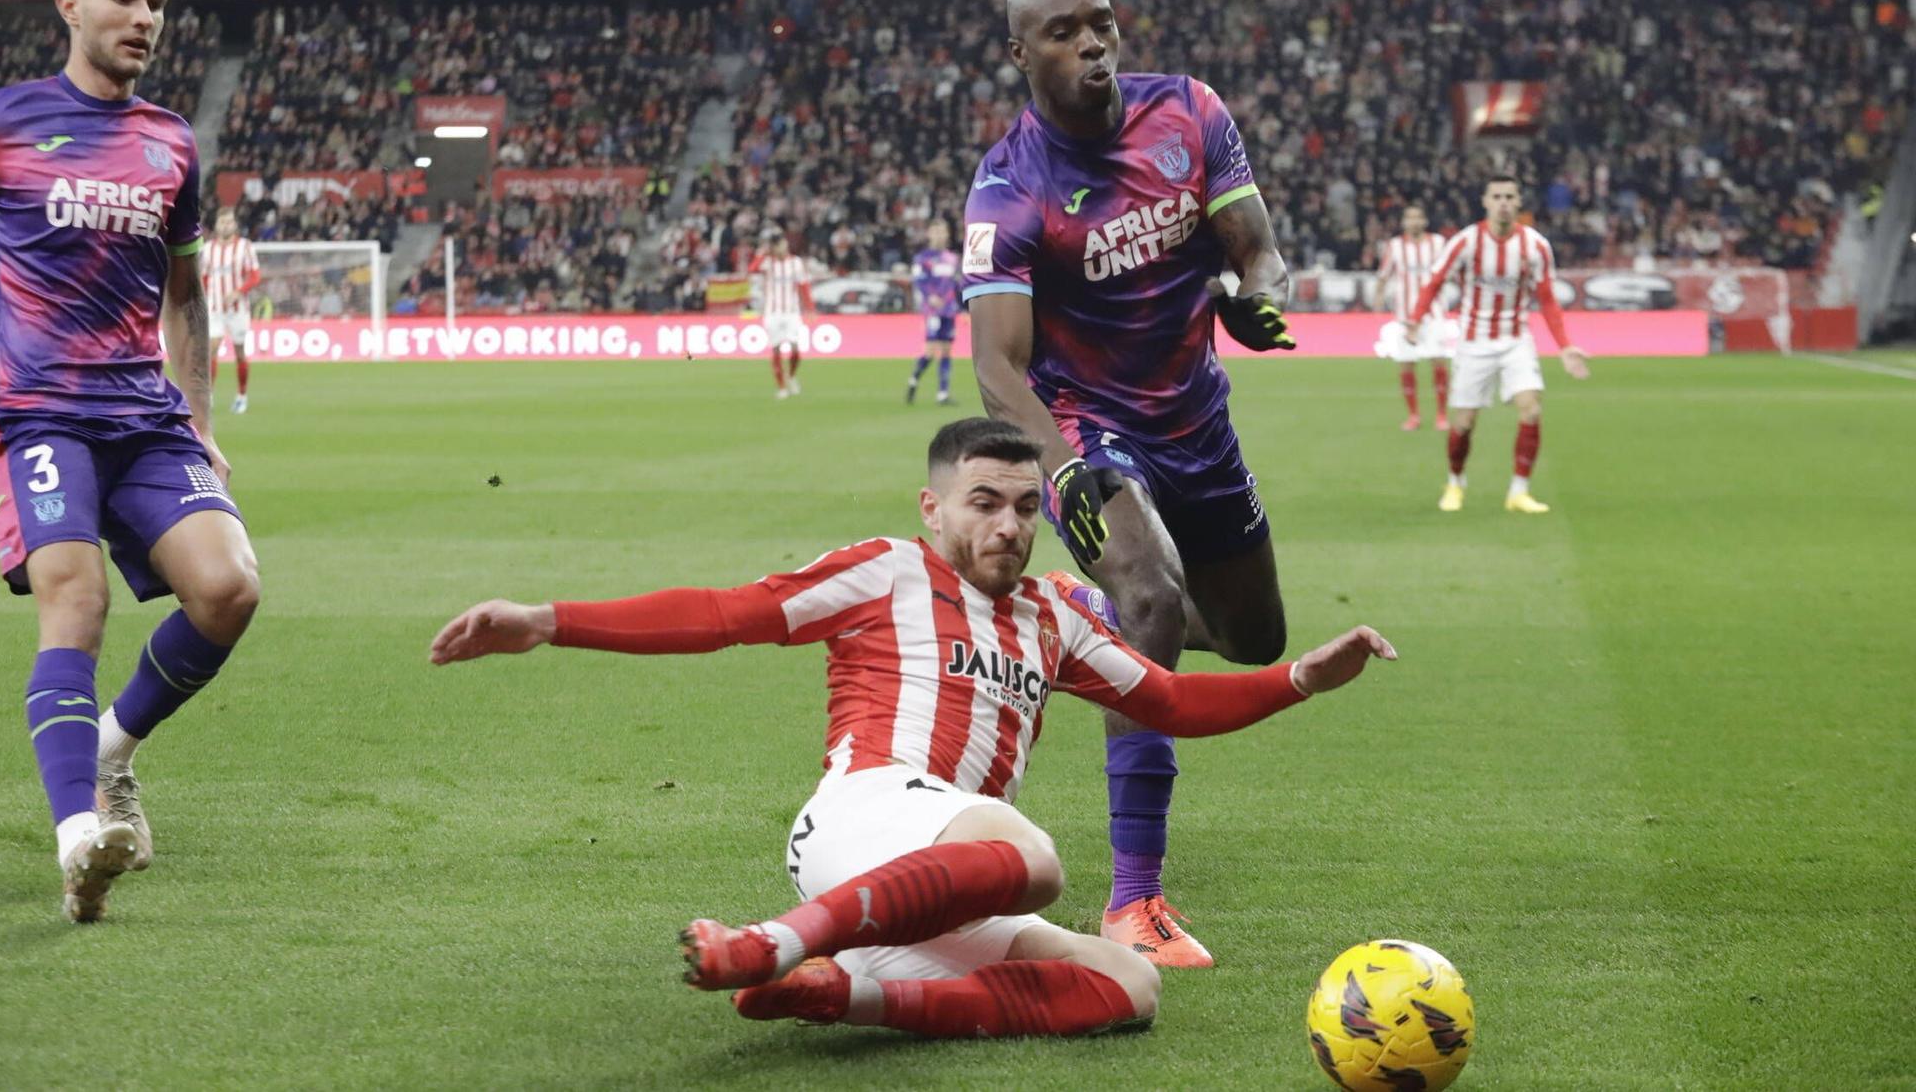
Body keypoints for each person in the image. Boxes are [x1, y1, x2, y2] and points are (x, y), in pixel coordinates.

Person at [428, 419, 1396, 1037]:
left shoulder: (1052, 618)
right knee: (1035, 856)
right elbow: (722, 614)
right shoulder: (885, 571)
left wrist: (1302, 676)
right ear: (933, 508)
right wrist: (548, 620)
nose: (1008, 525)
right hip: (862, 817)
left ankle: (840, 992)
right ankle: (774, 941)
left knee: (1125, 989)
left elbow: (1172, 701)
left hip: (943, 879)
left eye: (1024, 507)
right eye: (983, 503)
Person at [0, 0, 261, 923]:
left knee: (230, 588)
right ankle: (79, 836)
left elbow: (189, 298)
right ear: (70, 6)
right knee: (77, 602)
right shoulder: (0, 122)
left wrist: (197, 419)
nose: (145, 18)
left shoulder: (171, 143)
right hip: (38, 415)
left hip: (146, 417)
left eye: (157, 2)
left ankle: (110, 752)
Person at [962, 0, 1297, 966]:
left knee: (1250, 638)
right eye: (1064, 31)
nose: (1093, 44)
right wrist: (1057, 467)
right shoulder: (1007, 186)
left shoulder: (1188, 112)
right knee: (1150, 595)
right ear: (1021, 52)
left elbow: (1258, 248)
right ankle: (1133, 902)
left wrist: (1253, 292)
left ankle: (1083, 629)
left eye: (1102, 24)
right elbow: (996, 362)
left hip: (1197, 418)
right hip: (1088, 419)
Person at [1404, 176, 1591, 513]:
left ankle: (1519, 491)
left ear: (1519, 203)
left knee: (1531, 408)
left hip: (1516, 339)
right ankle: (1455, 483)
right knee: (1464, 422)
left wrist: (1565, 346)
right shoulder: (1466, 242)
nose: (1503, 202)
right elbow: (1434, 282)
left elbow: (1547, 299)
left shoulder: (1535, 245)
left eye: (1510, 196)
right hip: (1474, 341)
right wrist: (1415, 321)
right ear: (1485, 201)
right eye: (1497, 196)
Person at [1374, 203, 1451, 431]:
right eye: (1410, 218)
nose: (1414, 222)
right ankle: (1414, 416)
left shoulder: (1438, 243)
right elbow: (1384, 275)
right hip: (1405, 316)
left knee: (1438, 360)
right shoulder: (1395, 246)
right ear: (1404, 222)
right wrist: (1378, 298)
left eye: (1418, 217)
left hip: (1434, 313)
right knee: (1406, 364)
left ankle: (1441, 415)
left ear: (1425, 221)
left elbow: (1449, 270)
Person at [202, 208, 260, 414]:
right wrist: (203, 297)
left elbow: (255, 276)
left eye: (229, 222)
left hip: (238, 309)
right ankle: (208, 396)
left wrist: (238, 292)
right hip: (215, 308)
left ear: (234, 224)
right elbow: (204, 277)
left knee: (240, 352)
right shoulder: (208, 249)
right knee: (211, 349)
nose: (226, 225)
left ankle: (242, 395)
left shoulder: (245, 247)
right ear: (217, 224)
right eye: (222, 222)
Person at [905, 215, 962, 405]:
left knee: (946, 350)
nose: (939, 235)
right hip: (932, 311)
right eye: (936, 231)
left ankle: (943, 394)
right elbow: (919, 281)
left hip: (949, 309)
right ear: (929, 233)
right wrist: (930, 297)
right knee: (930, 351)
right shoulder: (923, 258)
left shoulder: (953, 259)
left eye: (942, 231)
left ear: (947, 234)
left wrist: (961, 305)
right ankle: (914, 379)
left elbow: (957, 284)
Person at [751, 228, 810, 399]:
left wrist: (810, 307)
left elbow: (803, 286)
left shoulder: (796, 263)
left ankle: (791, 375)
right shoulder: (768, 262)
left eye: (781, 242)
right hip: (772, 312)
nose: (780, 247)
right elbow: (752, 269)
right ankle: (782, 387)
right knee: (776, 349)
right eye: (776, 244)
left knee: (795, 349)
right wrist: (762, 252)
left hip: (791, 312)